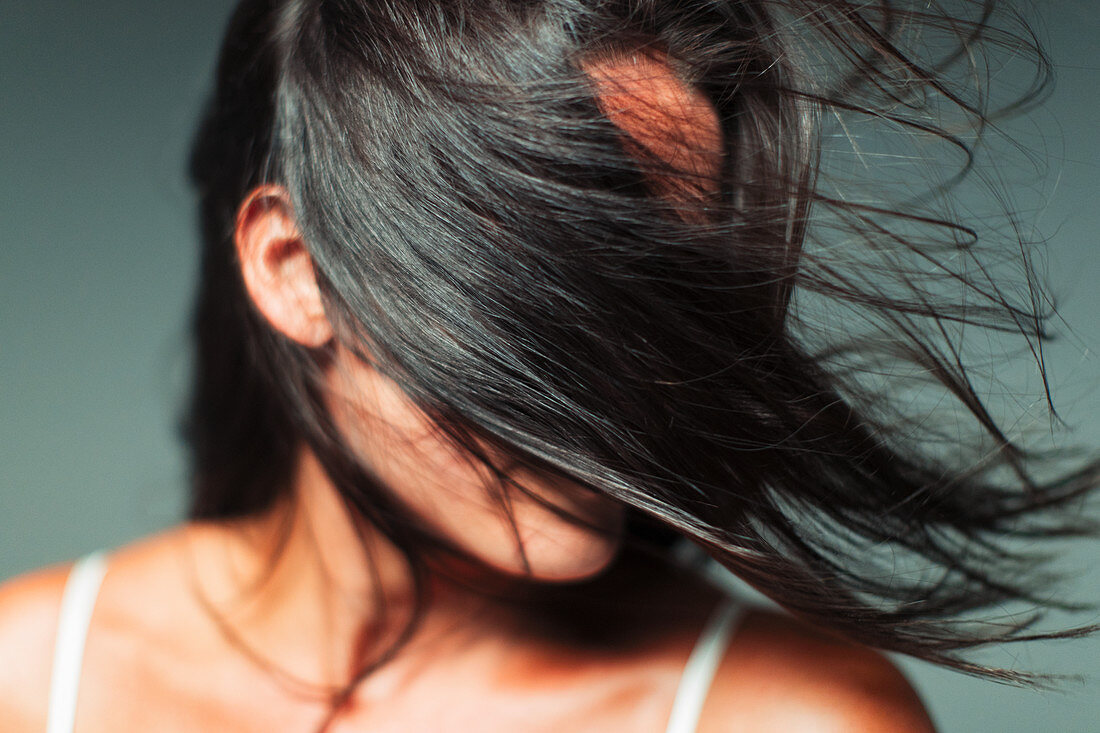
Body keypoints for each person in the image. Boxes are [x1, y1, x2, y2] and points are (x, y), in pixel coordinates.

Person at [1, 0, 1096, 730]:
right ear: (295, 271)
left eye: (669, 295)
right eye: (539, 295)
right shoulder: (31, 673)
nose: (633, 384)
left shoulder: (783, 718)